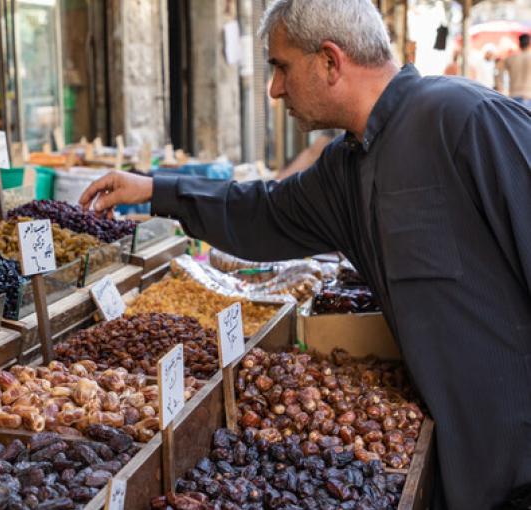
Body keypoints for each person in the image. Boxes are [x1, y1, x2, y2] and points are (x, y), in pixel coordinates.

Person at [79, 0, 531, 508]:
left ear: (330, 61)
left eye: (281, 67)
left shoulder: (467, 119)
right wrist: (156, 190)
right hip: (457, 457)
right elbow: (265, 213)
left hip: (517, 459)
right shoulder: (349, 164)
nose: (274, 89)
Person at [502, 33, 531, 107]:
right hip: (529, 95)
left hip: (514, 95)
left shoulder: (511, 58)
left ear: (519, 43)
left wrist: (500, 88)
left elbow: (498, 73)